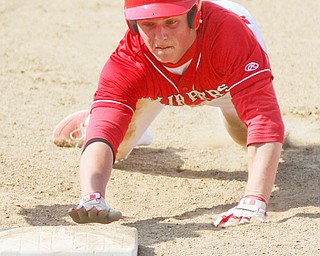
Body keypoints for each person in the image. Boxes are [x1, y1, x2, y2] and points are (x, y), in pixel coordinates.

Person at [53, 0, 285, 227]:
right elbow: (105, 131)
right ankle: (101, 121)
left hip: (225, 82)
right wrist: (91, 196)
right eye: (148, 25)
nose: (160, 36)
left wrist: (254, 199)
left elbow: (263, 120)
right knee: (118, 146)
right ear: (132, 24)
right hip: (155, 87)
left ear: (194, 16)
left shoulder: (231, 35)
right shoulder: (130, 60)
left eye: (171, 22)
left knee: (247, 136)